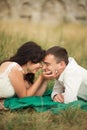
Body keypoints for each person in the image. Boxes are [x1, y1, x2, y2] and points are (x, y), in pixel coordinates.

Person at [0, 41, 49, 110]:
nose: (41, 66)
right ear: (29, 60)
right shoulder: (14, 68)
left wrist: (45, 79)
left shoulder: (23, 75)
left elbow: (35, 96)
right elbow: (24, 97)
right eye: (39, 62)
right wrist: (40, 78)